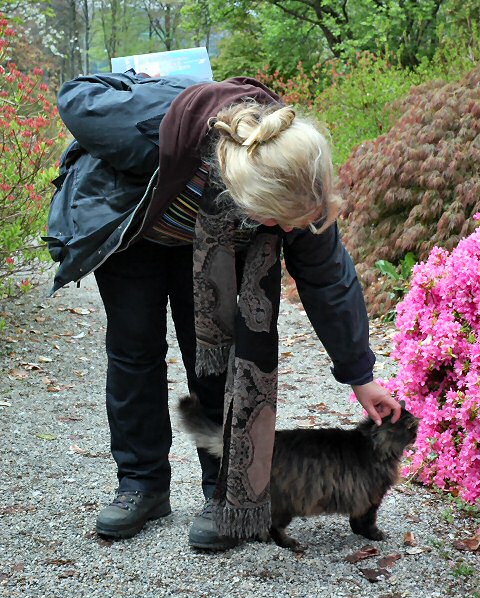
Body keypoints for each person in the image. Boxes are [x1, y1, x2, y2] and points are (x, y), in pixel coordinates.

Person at [46, 71, 402, 551]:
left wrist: (361, 376)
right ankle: (142, 484)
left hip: (208, 252)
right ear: (245, 191)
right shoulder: (147, 131)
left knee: (213, 360)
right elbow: (76, 94)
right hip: (135, 231)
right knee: (133, 353)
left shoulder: (299, 178)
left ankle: (223, 491)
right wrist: (142, 84)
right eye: (276, 219)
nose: (285, 229)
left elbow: (327, 281)